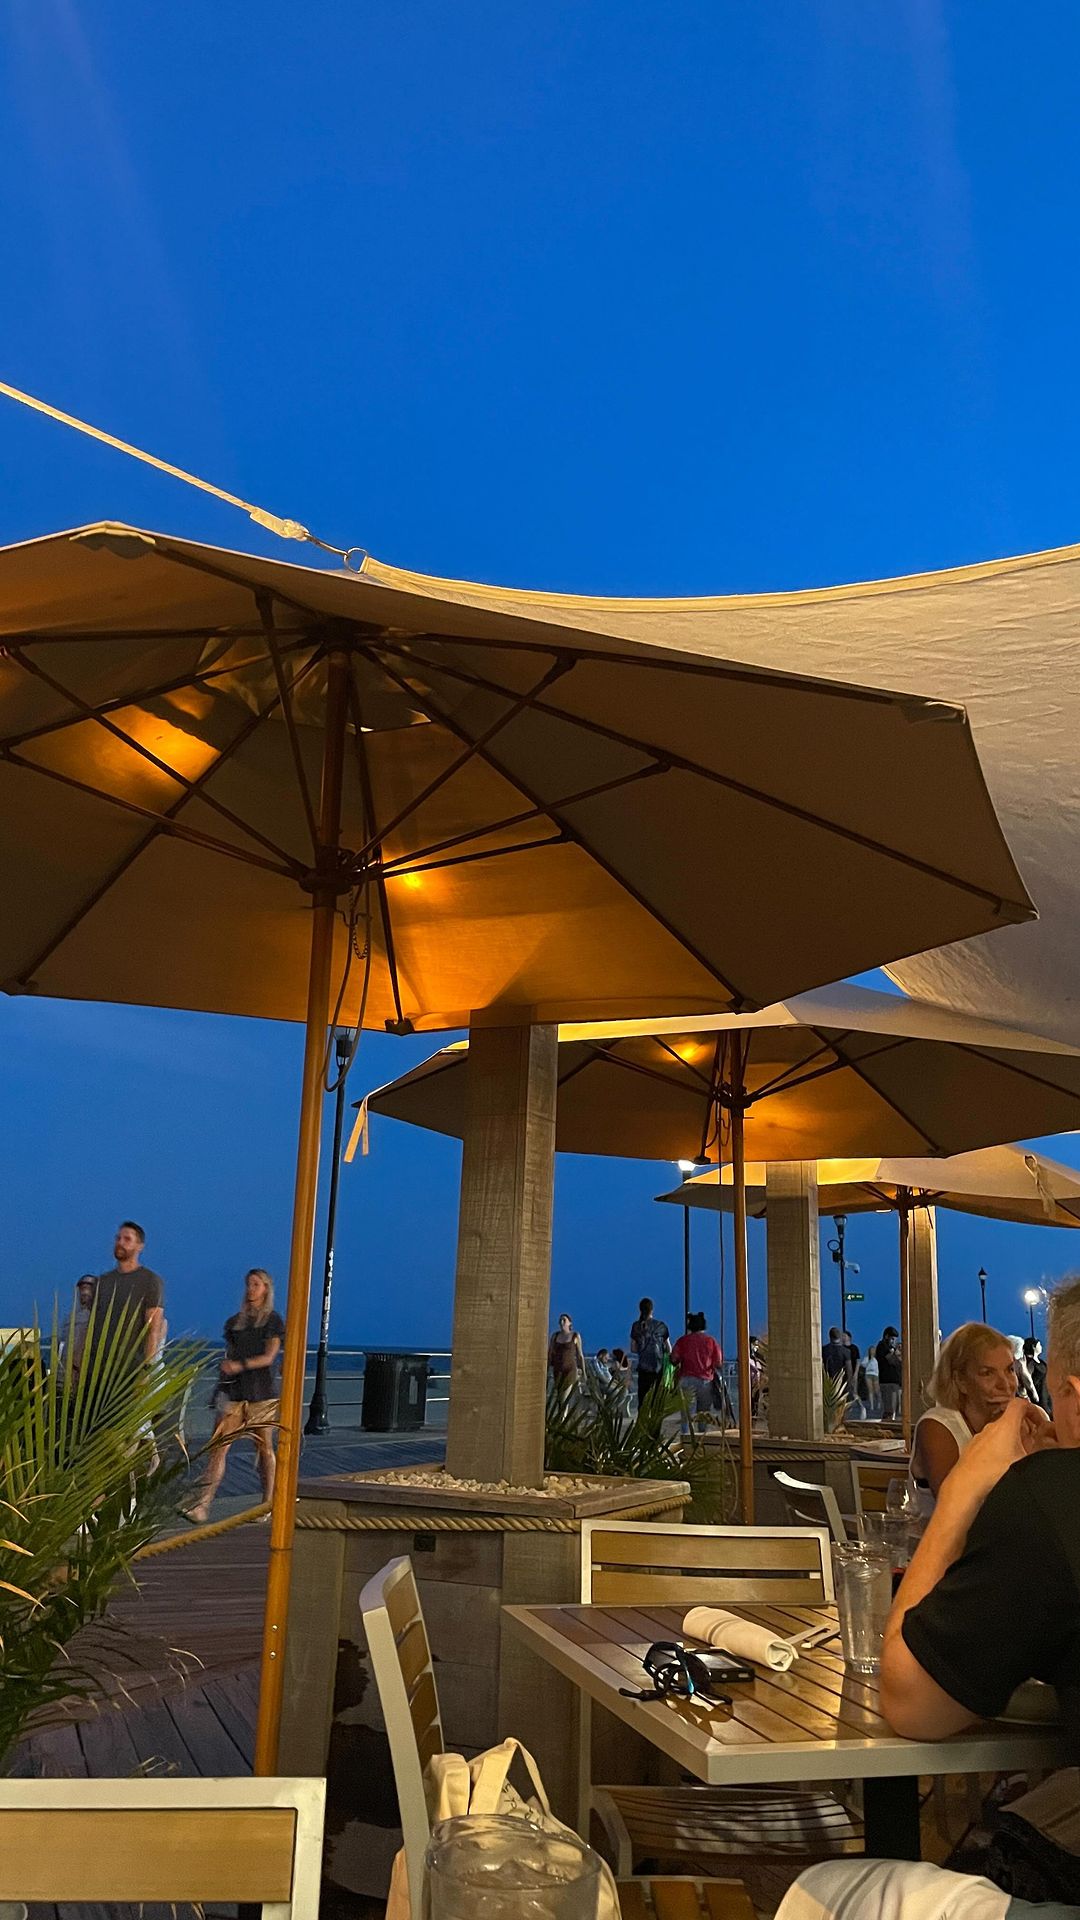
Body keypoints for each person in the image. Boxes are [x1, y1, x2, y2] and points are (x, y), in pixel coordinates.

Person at [779, 1277, 1080, 1917]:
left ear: (1074, 1396)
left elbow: (911, 1704)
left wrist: (968, 1489)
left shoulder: (1053, 1495)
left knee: (824, 1892)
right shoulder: (947, 1430)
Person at [183, 1268, 284, 1524]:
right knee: (219, 1447)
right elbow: (229, 1354)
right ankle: (203, 1504)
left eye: (256, 1284)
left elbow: (269, 1357)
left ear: (266, 1289)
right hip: (233, 1391)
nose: (251, 1289)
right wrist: (223, 1380)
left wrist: (240, 1365)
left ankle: (267, 1503)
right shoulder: (234, 1323)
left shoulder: (272, 1321)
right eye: (249, 1284)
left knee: (264, 1447)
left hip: (261, 1393)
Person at [909, 1322, 1020, 1512]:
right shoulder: (937, 1427)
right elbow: (956, 1508)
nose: (1005, 1384)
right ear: (960, 1381)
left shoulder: (1020, 1422)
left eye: (1009, 1370)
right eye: (987, 1373)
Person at [86, 1221, 165, 1386]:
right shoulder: (102, 1282)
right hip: (96, 1371)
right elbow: (92, 1327)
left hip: (129, 1372)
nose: (120, 1242)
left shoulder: (150, 1281)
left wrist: (146, 1370)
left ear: (140, 1246)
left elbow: (153, 1329)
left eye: (127, 1239)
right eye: (118, 1238)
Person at [671, 1311, 723, 1418]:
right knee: (703, 1415)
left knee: (686, 1415)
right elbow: (718, 1363)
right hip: (705, 1380)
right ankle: (701, 1428)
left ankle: (686, 1429)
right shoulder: (711, 1341)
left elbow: (674, 1359)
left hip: (686, 1379)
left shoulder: (682, 1341)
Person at [630, 1297, 671, 1406]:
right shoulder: (661, 1326)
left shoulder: (636, 1326)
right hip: (658, 1369)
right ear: (652, 1310)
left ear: (640, 1310)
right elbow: (669, 1349)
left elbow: (633, 1348)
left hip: (643, 1370)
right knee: (657, 1403)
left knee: (643, 1402)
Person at [548, 1313, 584, 1395]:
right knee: (559, 1395)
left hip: (570, 1369)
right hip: (558, 1369)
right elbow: (550, 1353)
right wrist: (547, 1369)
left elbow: (580, 1355)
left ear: (569, 1323)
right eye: (560, 1320)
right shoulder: (555, 1336)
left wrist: (584, 1373)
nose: (562, 1322)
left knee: (564, 1396)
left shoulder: (575, 1335)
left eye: (564, 1320)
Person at [875, 1324, 902, 1420]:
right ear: (886, 1336)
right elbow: (892, 1360)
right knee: (889, 1409)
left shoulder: (892, 1348)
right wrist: (896, 1352)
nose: (894, 1341)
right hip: (887, 1381)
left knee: (896, 1409)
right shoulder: (882, 1346)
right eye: (892, 1339)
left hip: (895, 1381)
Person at [823, 1326, 854, 1392]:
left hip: (826, 1382)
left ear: (830, 1336)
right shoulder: (846, 1351)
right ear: (840, 1336)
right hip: (841, 1382)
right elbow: (849, 1369)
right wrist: (849, 1384)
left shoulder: (824, 1350)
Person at [1026, 1335, 1050, 1411]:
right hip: (1039, 1397)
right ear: (1034, 1347)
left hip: (1046, 1394)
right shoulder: (1030, 1363)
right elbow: (1027, 1380)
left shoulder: (1042, 1362)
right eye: (1039, 1345)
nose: (1041, 1347)